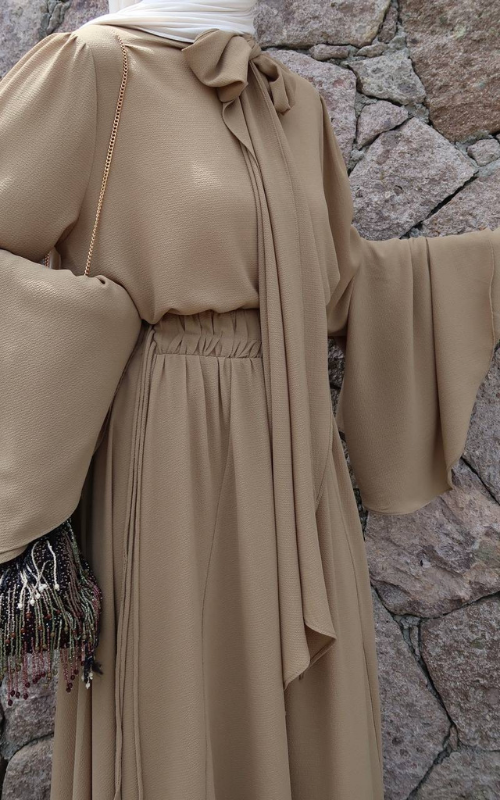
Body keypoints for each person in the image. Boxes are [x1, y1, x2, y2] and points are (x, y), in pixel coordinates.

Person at [0, 1, 498, 798]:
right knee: (175, 695)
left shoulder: (288, 100)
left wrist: (484, 269)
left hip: (293, 441)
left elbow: (338, 285)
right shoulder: (95, 67)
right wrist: (98, 319)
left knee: (305, 712)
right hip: (170, 445)